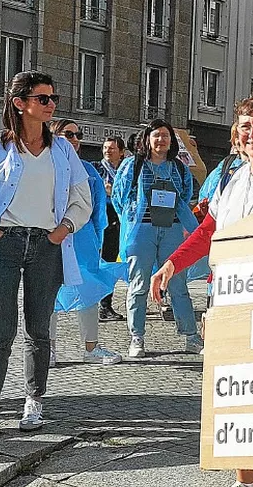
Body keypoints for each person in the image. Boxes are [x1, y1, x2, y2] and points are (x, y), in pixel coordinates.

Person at [151, 95, 253, 487]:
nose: (251, 134)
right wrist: (172, 263)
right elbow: (209, 229)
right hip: (228, 297)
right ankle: (246, 482)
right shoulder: (232, 179)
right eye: (244, 127)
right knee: (229, 392)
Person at [0, 71, 92, 440]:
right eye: (44, 98)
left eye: (53, 98)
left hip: (46, 245)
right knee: (0, 330)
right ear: (20, 103)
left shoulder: (63, 149)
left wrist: (63, 229)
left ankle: (34, 399)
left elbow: (83, 199)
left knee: (39, 330)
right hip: (3, 242)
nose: (51, 105)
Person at [112, 118, 201, 358]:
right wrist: (131, 218)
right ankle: (136, 337)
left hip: (171, 229)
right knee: (139, 285)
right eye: (156, 135)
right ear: (147, 140)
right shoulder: (132, 165)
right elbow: (119, 198)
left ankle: (191, 336)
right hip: (142, 229)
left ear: (172, 140)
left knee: (178, 284)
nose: (161, 140)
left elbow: (185, 195)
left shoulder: (179, 167)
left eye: (165, 135)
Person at [48, 119, 124, 367]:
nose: (74, 139)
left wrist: (96, 239)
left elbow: (98, 209)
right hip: (48, 238)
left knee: (89, 288)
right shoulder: (43, 166)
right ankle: (46, 350)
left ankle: (91, 348)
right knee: (46, 292)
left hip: (83, 238)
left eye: (77, 135)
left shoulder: (88, 171)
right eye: (68, 134)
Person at [95, 136, 127, 322]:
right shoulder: (96, 168)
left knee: (109, 263)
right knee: (96, 262)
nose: (108, 151)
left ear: (121, 152)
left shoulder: (126, 170)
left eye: (112, 148)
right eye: (105, 148)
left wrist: (113, 190)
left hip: (117, 219)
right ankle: (94, 303)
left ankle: (105, 305)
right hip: (99, 217)